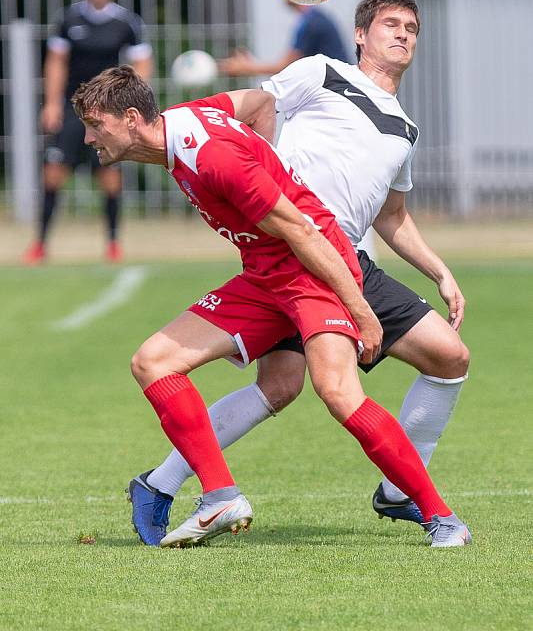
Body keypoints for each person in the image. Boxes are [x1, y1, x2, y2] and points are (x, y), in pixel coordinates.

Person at [73, 64, 471, 549]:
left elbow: (303, 230)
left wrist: (360, 309)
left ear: (132, 118)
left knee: (339, 392)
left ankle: (442, 518)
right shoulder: (188, 123)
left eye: (97, 125)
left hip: (313, 267)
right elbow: (261, 105)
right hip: (265, 273)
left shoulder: (215, 159)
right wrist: (268, 158)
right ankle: (220, 495)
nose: (90, 138)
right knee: (153, 362)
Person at [23, 0, 153, 264]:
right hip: (72, 109)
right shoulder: (69, 19)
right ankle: (40, 244)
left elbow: (142, 63)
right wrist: (52, 103)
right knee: (53, 172)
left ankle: (112, 244)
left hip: (106, 112)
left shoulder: (125, 22)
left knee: (109, 175)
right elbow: (56, 62)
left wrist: (128, 103)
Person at [218, 3, 349, 77]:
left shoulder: (311, 23)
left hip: (336, 91)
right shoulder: (315, 17)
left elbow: (284, 67)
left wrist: (247, 67)